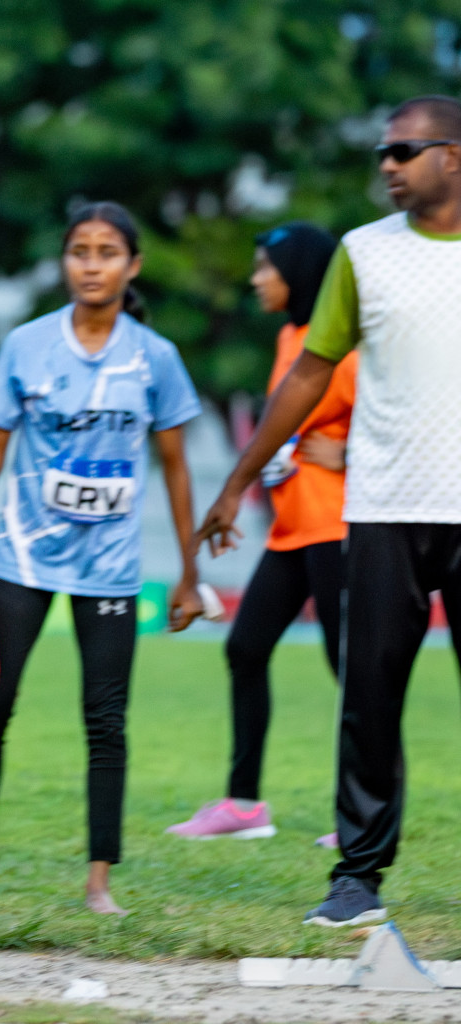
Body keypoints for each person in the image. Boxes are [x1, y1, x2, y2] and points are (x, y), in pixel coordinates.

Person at [199, 95, 461, 927]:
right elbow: (308, 376)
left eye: (404, 150)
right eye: (382, 150)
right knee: (369, 699)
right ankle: (357, 878)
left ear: (452, 156)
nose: (386, 163)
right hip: (384, 511)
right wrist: (240, 476)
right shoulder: (363, 253)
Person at [0, 201, 206, 916]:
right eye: (79, 250)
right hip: (21, 560)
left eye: (108, 252)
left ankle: (99, 882)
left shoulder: (155, 358)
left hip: (109, 569)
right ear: (64, 261)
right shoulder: (26, 346)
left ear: (131, 265)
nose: (91, 264)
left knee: (105, 721)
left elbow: (176, 468)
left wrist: (190, 574)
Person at [167, 223, 353, 844]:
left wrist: (347, 450)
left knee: (352, 670)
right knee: (245, 649)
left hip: (337, 527)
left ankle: (371, 808)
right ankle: (244, 806)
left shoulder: (349, 347)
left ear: (297, 272)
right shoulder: (290, 338)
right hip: (291, 530)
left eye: (265, 267)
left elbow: (392, 422)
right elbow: (284, 425)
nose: (256, 278)